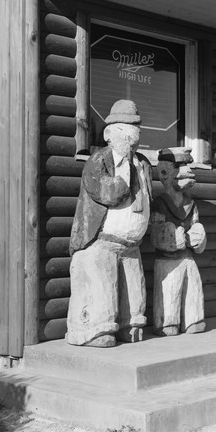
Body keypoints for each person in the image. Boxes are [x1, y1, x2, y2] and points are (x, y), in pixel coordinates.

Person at [66, 100, 152, 347]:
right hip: (100, 244)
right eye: (124, 128)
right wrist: (123, 172)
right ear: (109, 134)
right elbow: (110, 194)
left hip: (131, 246)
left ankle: (130, 324)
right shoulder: (99, 160)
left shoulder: (142, 162)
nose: (131, 135)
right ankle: (93, 330)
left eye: (135, 128)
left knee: (134, 299)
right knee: (102, 294)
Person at [150, 147, 207, 336]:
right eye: (179, 166)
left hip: (188, 258)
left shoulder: (191, 204)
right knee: (169, 293)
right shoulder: (160, 203)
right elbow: (155, 233)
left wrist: (198, 236)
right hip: (167, 261)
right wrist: (169, 237)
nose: (187, 171)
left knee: (193, 288)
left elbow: (196, 224)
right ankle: (166, 322)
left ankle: (193, 320)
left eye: (187, 165)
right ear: (165, 173)